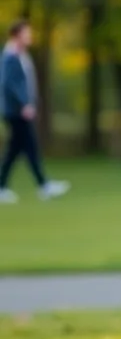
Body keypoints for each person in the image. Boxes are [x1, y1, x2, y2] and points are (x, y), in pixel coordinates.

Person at [0, 20, 70, 203]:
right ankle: (44, 185)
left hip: (20, 110)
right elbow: (10, 84)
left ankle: (4, 186)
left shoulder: (21, 55)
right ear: (16, 35)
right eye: (26, 33)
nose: (29, 37)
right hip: (16, 111)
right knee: (29, 147)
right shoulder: (11, 56)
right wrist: (24, 104)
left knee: (15, 150)